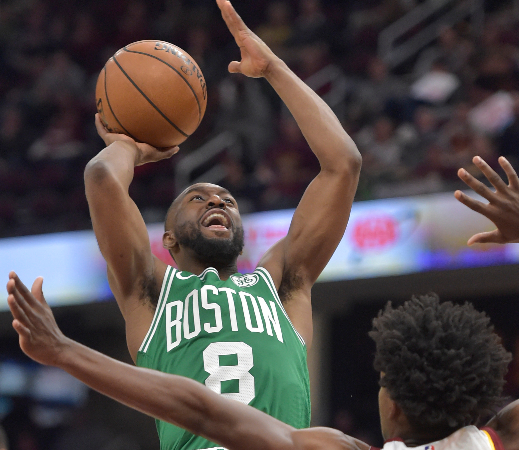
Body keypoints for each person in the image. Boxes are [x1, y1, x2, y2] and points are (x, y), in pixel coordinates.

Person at [7, 155, 519, 450]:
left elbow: (204, 411)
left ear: (394, 411)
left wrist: (62, 352)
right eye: (201, 197)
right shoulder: (514, 438)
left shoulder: (337, 446)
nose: (216, 201)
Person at [60, 0, 361, 447]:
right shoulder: (149, 288)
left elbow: (344, 163)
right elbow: (102, 178)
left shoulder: (280, 283)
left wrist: (274, 68)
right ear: (167, 240)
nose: (216, 201)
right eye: (196, 198)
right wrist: (132, 145)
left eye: (227, 200)